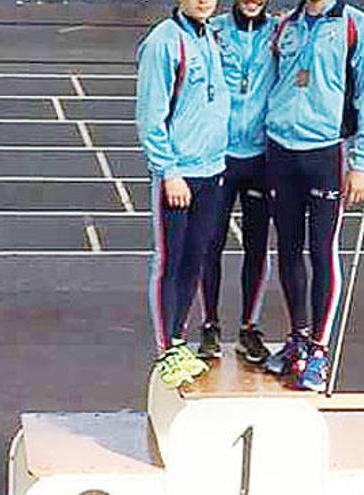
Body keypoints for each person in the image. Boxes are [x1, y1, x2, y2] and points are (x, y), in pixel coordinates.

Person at [263, 0, 364, 391]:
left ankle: (319, 350)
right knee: (288, 248)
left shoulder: (356, 27)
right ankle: (296, 338)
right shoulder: (286, 26)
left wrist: (362, 163)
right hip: (280, 149)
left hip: (326, 152)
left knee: (322, 250)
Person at [136, 0, 231, 387]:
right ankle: (165, 349)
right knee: (169, 263)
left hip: (212, 170)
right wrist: (169, 171)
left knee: (195, 259)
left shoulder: (212, 36)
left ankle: (179, 338)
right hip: (178, 176)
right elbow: (150, 117)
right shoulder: (163, 42)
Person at [198, 0, 276, 365]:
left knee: (257, 246)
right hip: (220, 156)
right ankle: (209, 324)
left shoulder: (281, 33)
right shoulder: (214, 32)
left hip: (260, 156)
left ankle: (250, 327)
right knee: (209, 242)